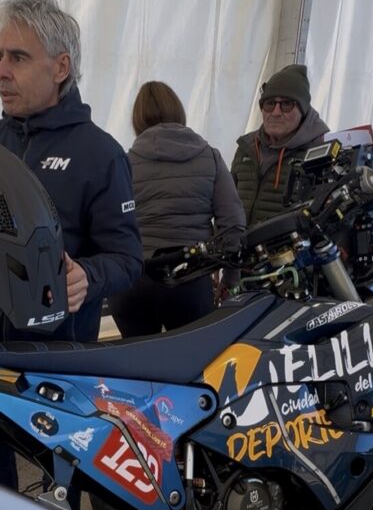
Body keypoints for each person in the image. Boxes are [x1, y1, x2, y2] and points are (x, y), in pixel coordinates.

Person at [0, 0, 143, 491]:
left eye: (18, 57)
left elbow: (128, 257)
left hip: (61, 359)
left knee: (63, 476)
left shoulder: (101, 154)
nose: (1, 70)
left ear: (61, 67)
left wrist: (89, 275)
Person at [109, 81, 245, 337]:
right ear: (178, 111)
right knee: (193, 364)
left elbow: (108, 226)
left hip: (132, 282)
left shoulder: (123, 163)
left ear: (137, 119)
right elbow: (233, 224)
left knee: (137, 367)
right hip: (189, 282)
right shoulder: (210, 157)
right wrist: (231, 278)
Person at [231, 63, 330, 225]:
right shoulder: (245, 148)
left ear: (303, 110)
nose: (276, 112)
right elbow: (226, 202)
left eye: (286, 104)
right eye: (269, 103)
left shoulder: (321, 151)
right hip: (238, 247)